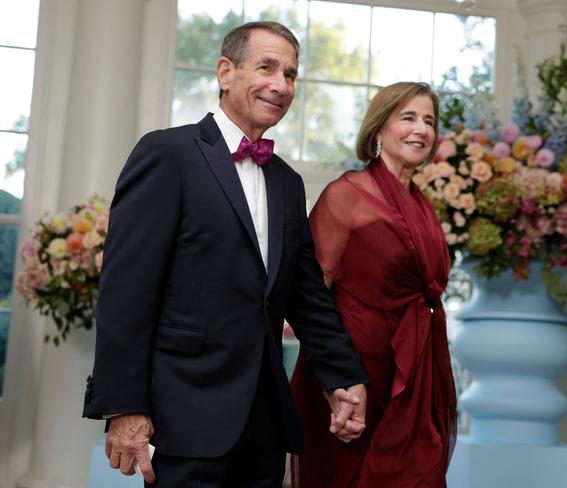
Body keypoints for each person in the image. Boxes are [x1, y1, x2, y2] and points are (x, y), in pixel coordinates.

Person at [82, 21, 368, 488]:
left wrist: (343, 376)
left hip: (264, 422)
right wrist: (125, 407)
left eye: (291, 75)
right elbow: (125, 292)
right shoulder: (166, 154)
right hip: (183, 414)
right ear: (225, 72)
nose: (280, 84)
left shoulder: (287, 183)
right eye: (267, 67)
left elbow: (306, 294)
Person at [290, 82, 457, 488]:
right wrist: (340, 381)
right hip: (353, 375)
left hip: (415, 372)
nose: (421, 129)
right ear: (379, 128)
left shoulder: (423, 205)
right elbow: (310, 293)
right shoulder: (345, 195)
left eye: (429, 121)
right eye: (408, 117)